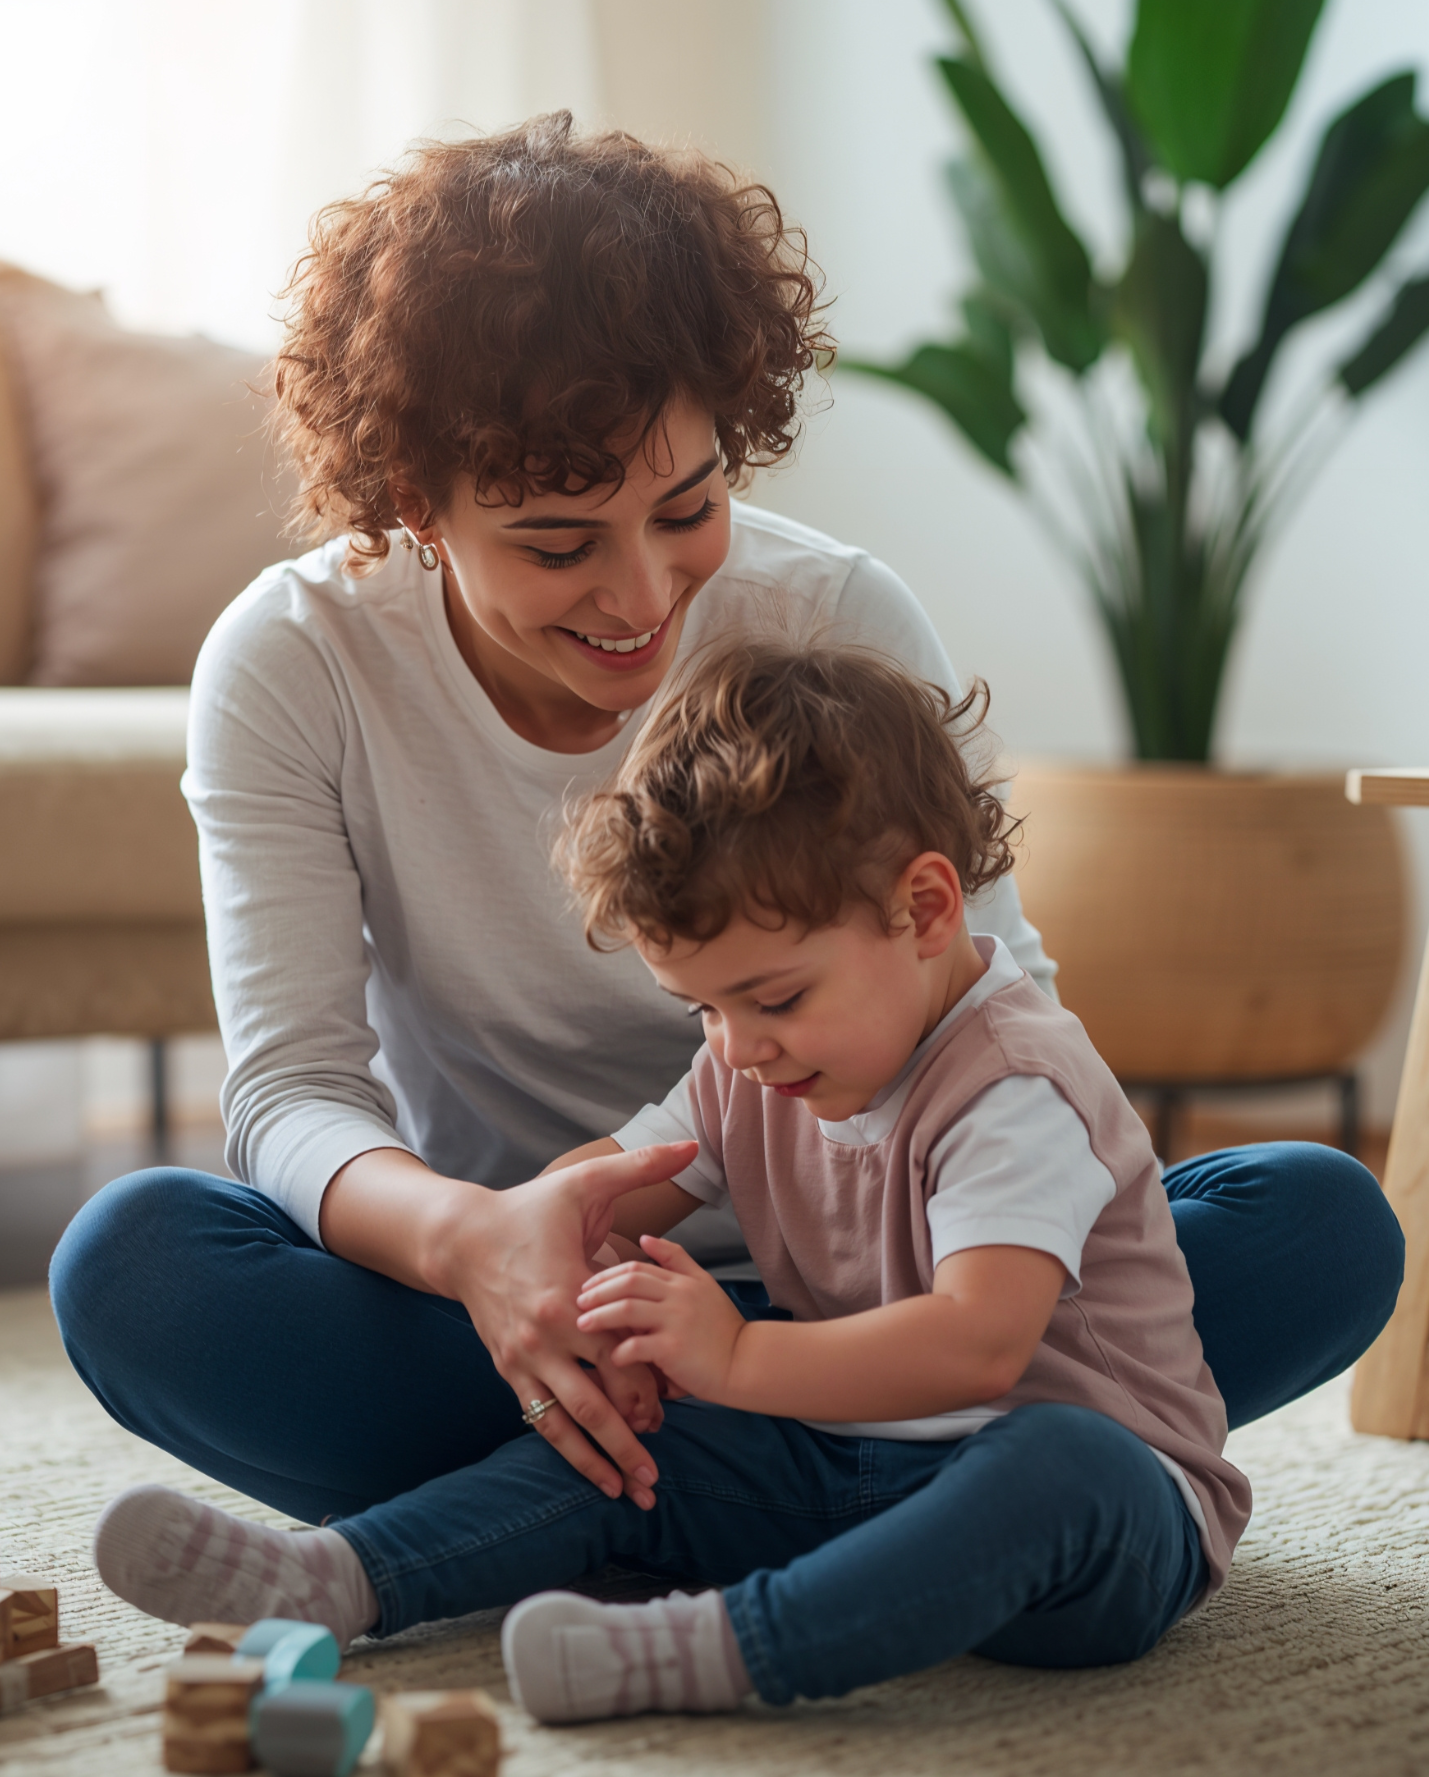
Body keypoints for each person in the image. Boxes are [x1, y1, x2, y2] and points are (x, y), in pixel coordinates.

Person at [51, 114, 1399, 1530]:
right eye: (560, 543)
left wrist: (840, 1326)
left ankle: (632, 1487)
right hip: (510, 1296)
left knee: (1315, 1222)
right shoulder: (295, 659)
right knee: (134, 1266)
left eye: (687, 506)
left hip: (888, 1286)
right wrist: (480, 1245)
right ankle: (881, 1495)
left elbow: (998, 1010)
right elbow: (291, 1094)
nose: (641, 598)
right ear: (416, 504)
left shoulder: (837, 619)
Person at [93, 640, 1251, 1720]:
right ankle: (343, 1575)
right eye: (704, 1007)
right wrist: (550, 1226)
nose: (737, 1046)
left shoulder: (1012, 1084)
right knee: (652, 1439)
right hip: (865, 1453)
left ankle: (727, 1649)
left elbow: (978, 1347)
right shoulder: (749, 1062)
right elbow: (624, 1175)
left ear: (927, 908)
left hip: (1103, 1514)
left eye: (775, 997)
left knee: (1054, 1457)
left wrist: (739, 1356)